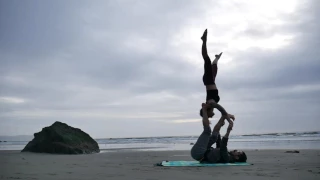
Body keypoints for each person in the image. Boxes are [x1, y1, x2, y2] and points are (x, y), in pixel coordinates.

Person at [200, 29, 230, 121]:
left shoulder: (211, 104)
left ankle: (204, 40)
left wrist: (226, 115)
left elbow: (220, 108)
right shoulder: (211, 104)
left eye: (210, 116)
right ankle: (216, 58)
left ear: (208, 112)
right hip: (211, 80)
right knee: (214, 67)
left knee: (206, 60)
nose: (212, 116)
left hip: (208, 80)